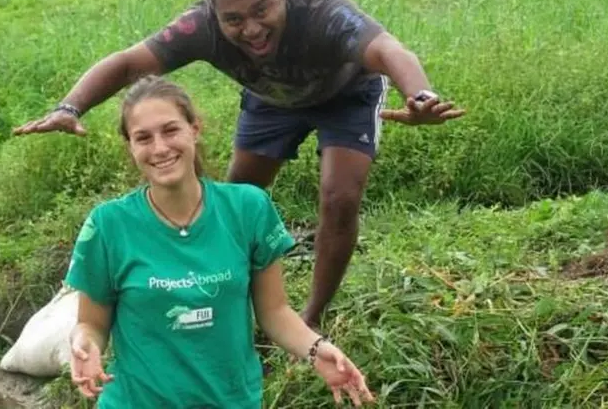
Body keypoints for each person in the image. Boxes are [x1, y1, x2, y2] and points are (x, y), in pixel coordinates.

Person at [15, 0, 465, 331]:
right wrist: (69, 106)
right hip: (271, 100)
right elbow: (132, 63)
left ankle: (310, 317)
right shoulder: (200, 27)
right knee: (234, 201)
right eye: (233, 19)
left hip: (346, 94)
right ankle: (225, 301)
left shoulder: (322, 9)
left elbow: (388, 49)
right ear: (214, 11)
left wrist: (420, 94)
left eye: (262, 9)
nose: (251, 28)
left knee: (339, 197)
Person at [63, 75, 376, 408]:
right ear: (131, 146)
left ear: (195, 129)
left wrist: (317, 350)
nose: (159, 148)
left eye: (170, 130)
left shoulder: (247, 209)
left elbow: (274, 312)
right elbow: (91, 323)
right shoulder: (109, 224)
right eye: (143, 137)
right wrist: (85, 344)